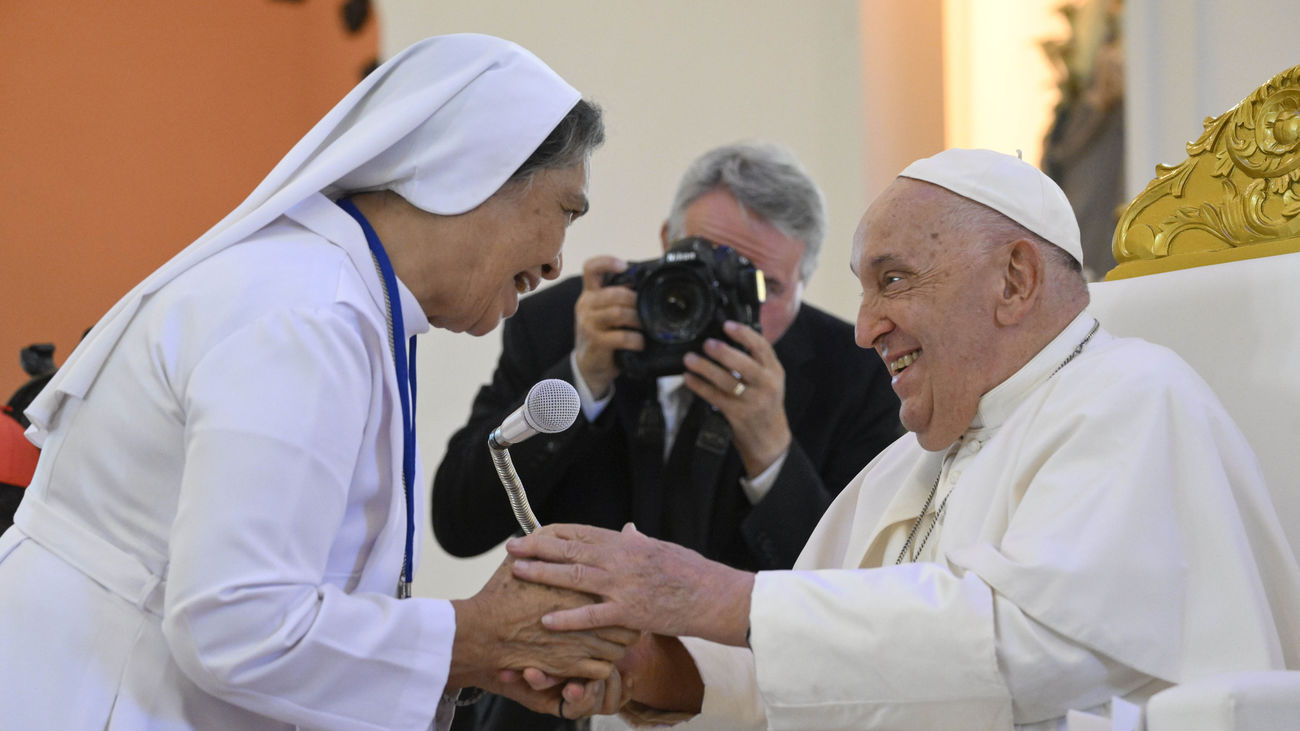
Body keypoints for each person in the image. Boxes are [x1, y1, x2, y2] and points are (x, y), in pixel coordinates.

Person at [505, 148, 1300, 729]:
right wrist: (653, 667)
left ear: (1015, 280)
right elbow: (809, 672)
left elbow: (1029, 647)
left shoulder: (1129, 395)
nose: (863, 328)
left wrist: (712, 592)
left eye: (892, 280)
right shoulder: (905, 462)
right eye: (861, 289)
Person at [0, 34, 637, 730]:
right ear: (473, 170)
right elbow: (236, 623)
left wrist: (478, 650)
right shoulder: (307, 316)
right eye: (566, 211)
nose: (555, 264)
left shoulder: (342, 300)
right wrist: (475, 637)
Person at [432, 142, 900, 730]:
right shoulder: (564, 322)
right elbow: (457, 521)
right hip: (549, 707)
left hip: (738, 707)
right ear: (662, 243)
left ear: (804, 284)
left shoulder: (853, 373)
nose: (721, 304)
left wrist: (771, 450)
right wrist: (581, 380)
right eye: (697, 262)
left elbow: (855, 602)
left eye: (760, 289)